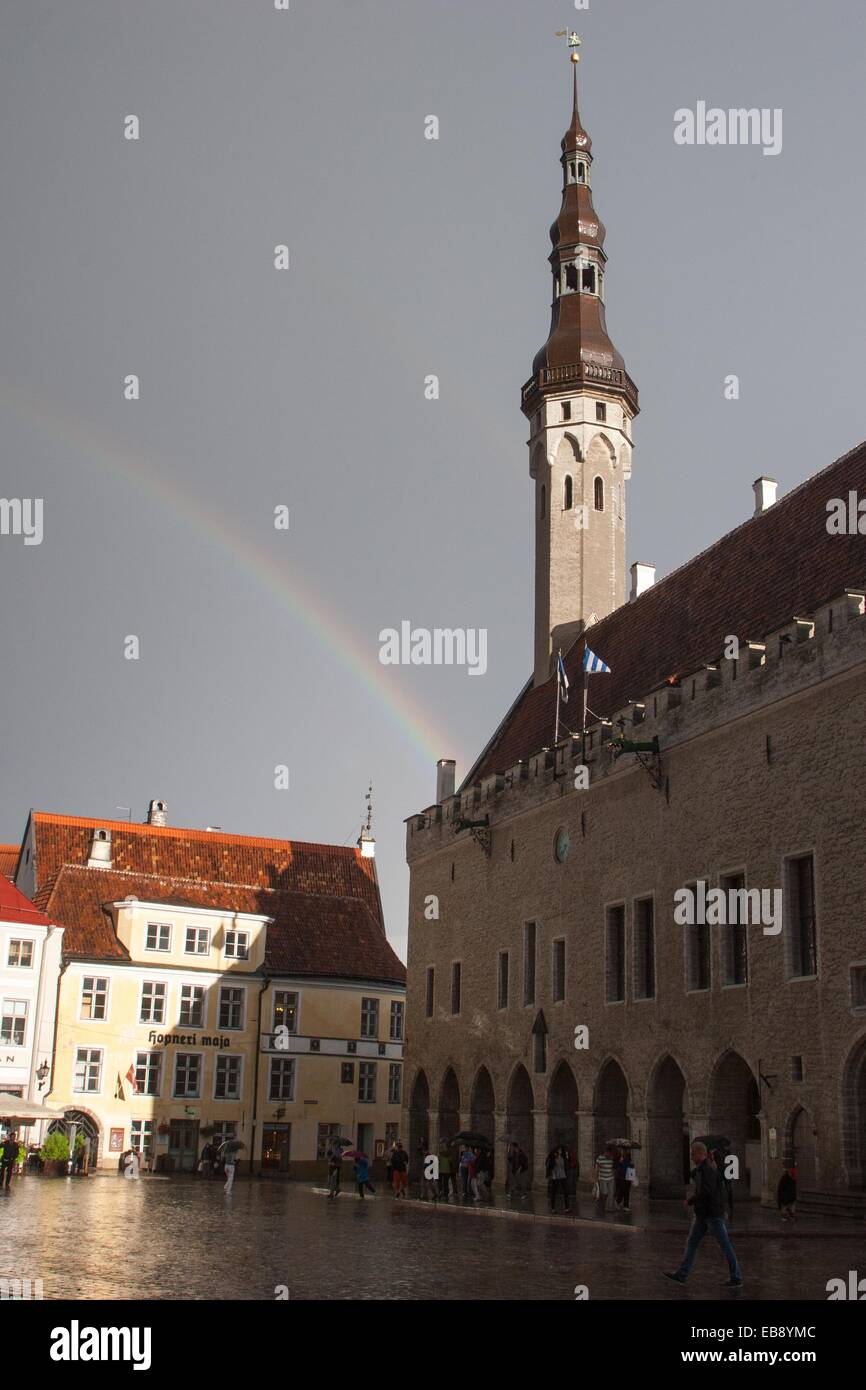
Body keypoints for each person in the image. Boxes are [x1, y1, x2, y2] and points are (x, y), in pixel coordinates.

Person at [665, 1141, 743, 1288]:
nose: (691, 1157)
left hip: (712, 1215)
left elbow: (707, 1191)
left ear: (701, 1154)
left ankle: (736, 1277)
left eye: (693, 1154)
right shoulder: (703, 1169)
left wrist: (691, 1201)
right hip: (703, 1214)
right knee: (692, 1243)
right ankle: (682, 1274)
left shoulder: (707, 1169)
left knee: (725, 1245)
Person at [546, 1145, 571, 1214]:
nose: (560, 1151)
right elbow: (548, 1165)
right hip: (555, 1176)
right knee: (553, 1192)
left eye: (561, 1150)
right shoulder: (553, 1157)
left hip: (563, 1175)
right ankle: (553, 1208)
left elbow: (566, 1165)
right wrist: (550, 1175)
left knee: (566, 1191)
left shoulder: (563, 1157)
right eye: (559, 1150)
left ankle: (567, 1208)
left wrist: (567, 1157)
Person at [595, 1145, 616, 1214]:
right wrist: (596, 1178)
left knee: (611, 1193)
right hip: (603, 1178)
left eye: (610, 1153)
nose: (608, 1155)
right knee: (605, 1192)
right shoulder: (600, 1158)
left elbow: (613, 1167)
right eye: (608, 1153)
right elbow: (597, 1169)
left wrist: (613, 1172)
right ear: (605, 1152)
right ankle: (601, 1204)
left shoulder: (612, 1158)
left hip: (610, 1178)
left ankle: (609, 1208)